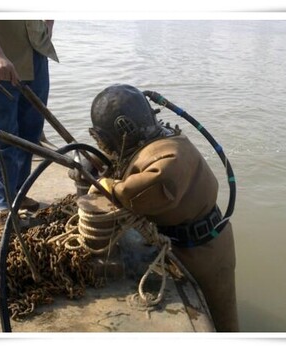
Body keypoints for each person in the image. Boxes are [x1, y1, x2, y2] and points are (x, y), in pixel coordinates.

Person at [88, 84, 239, 332]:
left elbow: (133, 193)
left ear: (124, 128)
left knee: (223, 319)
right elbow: (132, 163)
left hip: (202, 252)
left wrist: (107, 184)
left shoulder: (168, 163)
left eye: (105, 140)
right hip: (196, 238)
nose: (106, 146)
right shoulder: (163, 137)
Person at [0, 20, 58, 239]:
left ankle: (19, 193)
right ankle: (5, 207)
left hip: (36, 53)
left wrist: (48, 23)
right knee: (5, 139)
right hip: (0, 58)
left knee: (31, 133)